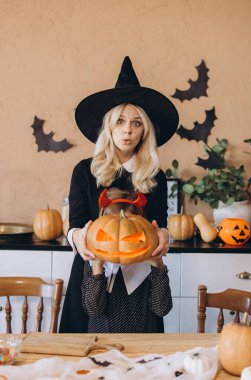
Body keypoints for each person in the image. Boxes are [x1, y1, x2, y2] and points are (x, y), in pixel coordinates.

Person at [59, 56, 179, 333]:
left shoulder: (155, 176)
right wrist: (77, 236)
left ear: (144, 131)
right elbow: (75, 222)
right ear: (109, 126)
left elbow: (159, 223)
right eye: (121, 121)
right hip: (93, 274)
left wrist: (163, 234)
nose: (127, 129)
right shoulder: (84, 172)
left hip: (141, 282)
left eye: (137, 123)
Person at [81, 187, 173, 333]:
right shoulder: (93, 266)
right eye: (109, 236)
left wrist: (159, 266)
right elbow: (93, 310)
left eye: (131, 235)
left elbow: (161, 309)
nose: (119, 242)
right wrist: (97, 267)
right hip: (103, 344)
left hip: (143, 345)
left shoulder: (150, 266)